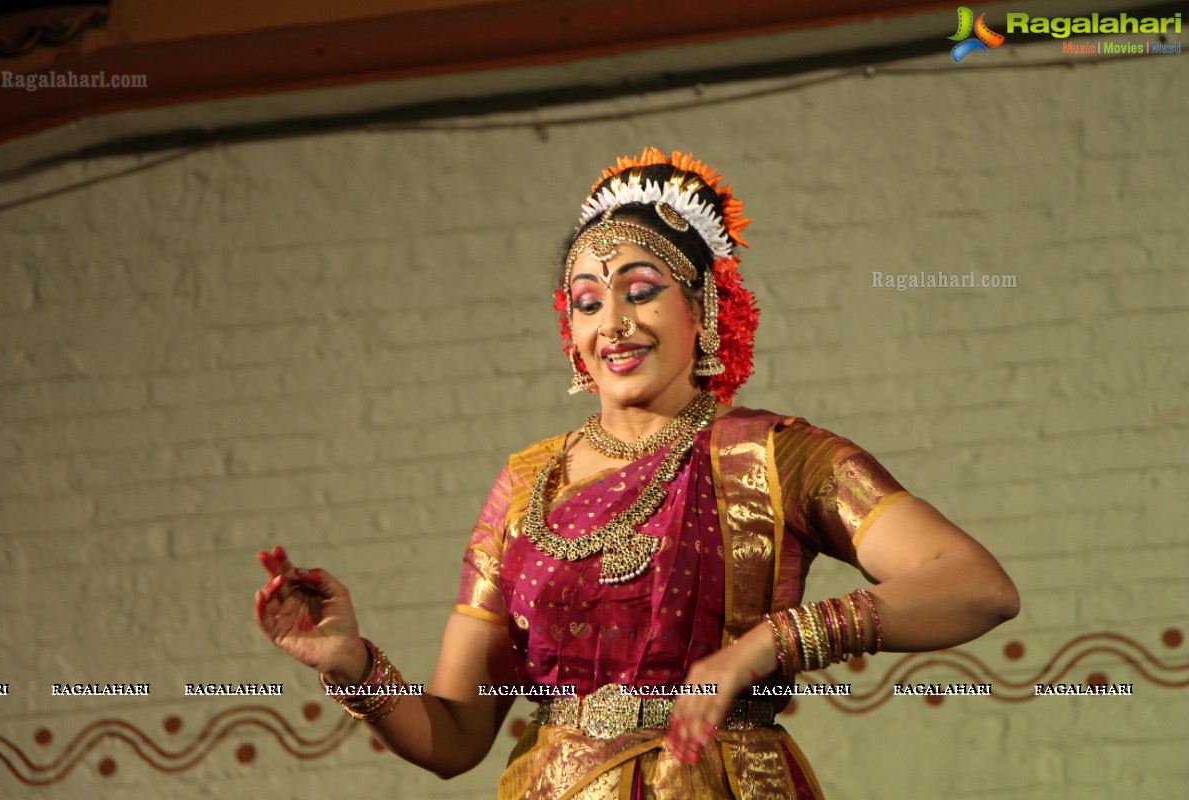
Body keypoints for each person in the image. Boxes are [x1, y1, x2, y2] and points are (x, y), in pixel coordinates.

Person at [254, 147, 1020, 799]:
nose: (611, 324)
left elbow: (977, 587)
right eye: (587, 303)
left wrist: (765, 647)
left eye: (642, 292)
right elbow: (455, 737)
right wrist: (353, 664)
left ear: (705, 311)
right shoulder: (527, 484)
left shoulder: (773, 455)